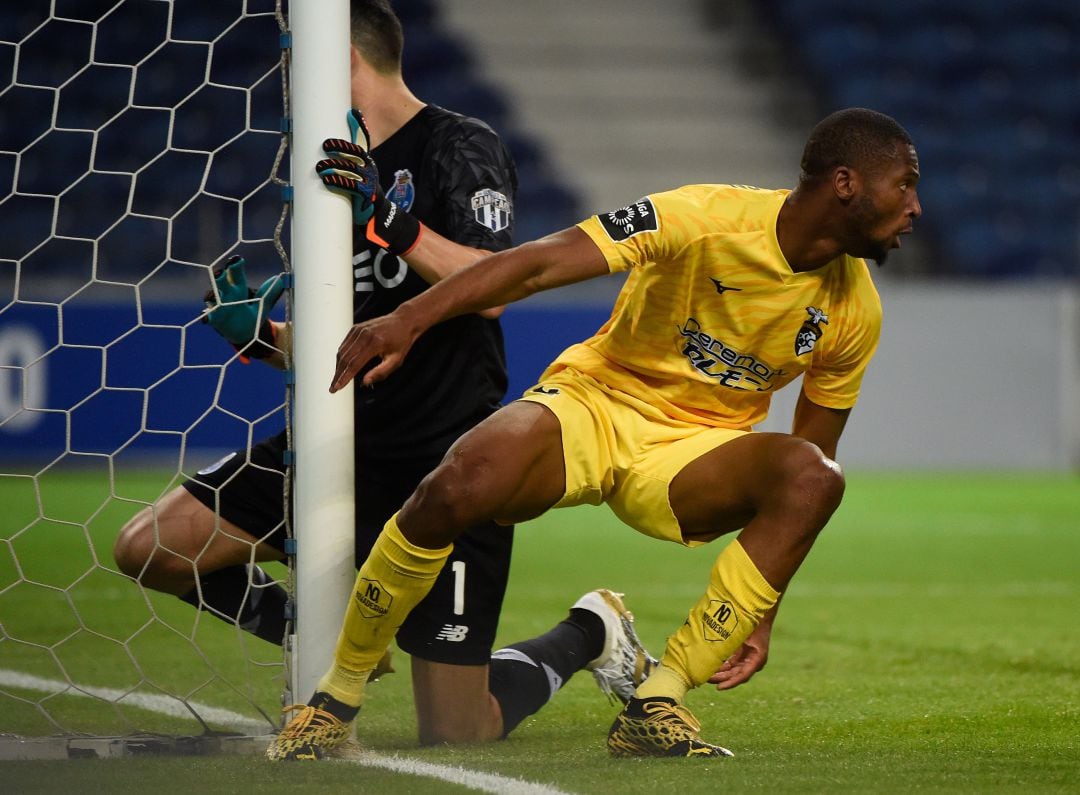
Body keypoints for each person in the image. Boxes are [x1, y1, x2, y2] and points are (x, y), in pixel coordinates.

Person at [265, 106, 922, 759]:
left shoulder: (854, 309)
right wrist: (409, 318)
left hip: (692, 454)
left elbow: (813, 456)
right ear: (845, 184)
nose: (915, 206)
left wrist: (763, 606)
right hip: (597, 401)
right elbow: (540, 264)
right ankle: (334, 699)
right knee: (459, 482)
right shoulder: (703, 216)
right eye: (905, 184)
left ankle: (659, 698)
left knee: (815, 474)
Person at [113, 0, 656, 748]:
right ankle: (330, 646)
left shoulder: (458, 145)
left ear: (340, 57)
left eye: (296, 57)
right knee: (150, 546)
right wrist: (262, 338)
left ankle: (590, 630)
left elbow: (495, 288)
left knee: (458, 730)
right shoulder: (328, 168)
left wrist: (395, 222)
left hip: (444, 459)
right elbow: (356, 331)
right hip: (335, 442)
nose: (286, 77)